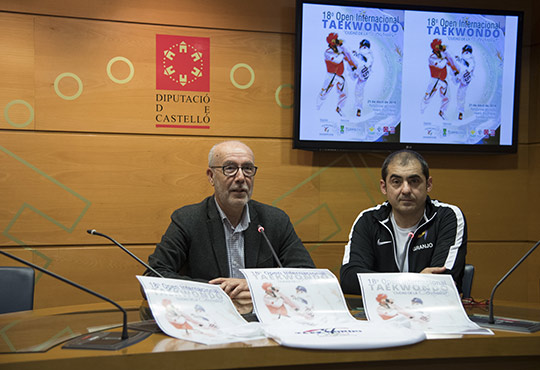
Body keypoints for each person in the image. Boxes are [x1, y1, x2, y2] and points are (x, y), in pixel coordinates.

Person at [145, 141, 315, 312]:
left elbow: (307, 276)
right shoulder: (188, 220)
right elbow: (154, 276)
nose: (241, 177)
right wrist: (221, 292)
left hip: (264, 319)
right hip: (211, 320)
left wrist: (254, 286)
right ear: (211, 176)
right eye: (230, 168)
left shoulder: (274, 220)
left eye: (247, 168)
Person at [340, 149, 467, 295]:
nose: (406, 190)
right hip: (382, 310)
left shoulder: (446, 216)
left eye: (414, 181)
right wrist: (414, 281)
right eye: (396, 182)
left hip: (432, 312)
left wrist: (380, 283)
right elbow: (349, 279)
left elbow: (443, 280)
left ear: (428, 184)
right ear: (384, 187)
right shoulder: (368, 220)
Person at [316, 32, 356, 116]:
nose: (337, 41)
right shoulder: (328, 52)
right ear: (331, 42)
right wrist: (342, 53)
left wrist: (352, 66)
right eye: (335, 39)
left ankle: (339, 108)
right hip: (331, 76)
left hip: (340, 75)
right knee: (324, 93)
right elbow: (337, 60)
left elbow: (347, 57)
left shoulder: (340, 49)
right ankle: (317, 107)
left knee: (344, 93)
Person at [420, 39, 458, 120]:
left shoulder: (443, 54)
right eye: (438, 45)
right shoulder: (432, 57)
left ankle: (442, 112)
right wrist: (445, 59)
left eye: (440, 44)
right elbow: (441, 65)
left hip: (444, 79)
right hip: (435, 80)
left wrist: (447, 52)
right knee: (428, 97)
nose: (440, 46)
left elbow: (451, 61)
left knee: (447, 97)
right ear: (434, 47)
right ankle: (422, 111)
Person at [351, 39, 374, 118]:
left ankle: (358, 109)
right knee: (358, 90)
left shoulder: (365, 49)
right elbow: (363, 58)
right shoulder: (368, 53)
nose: (360, 45)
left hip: (363, 71)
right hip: (364, 73)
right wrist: (356, 55)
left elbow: (367, 61)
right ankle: (358, 108)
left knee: (358, 90)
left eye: (361, 44)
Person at [454, 44, 475, 121]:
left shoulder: (467, 54)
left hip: (465, 74)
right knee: (461, 94)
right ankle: (460, 112)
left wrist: (467, 71)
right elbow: (465, 63)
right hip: (466, 77)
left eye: (463, 49)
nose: (462, 50)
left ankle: (460, 112)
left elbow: (470, 65)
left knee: (460, 93)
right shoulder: (467, 57)